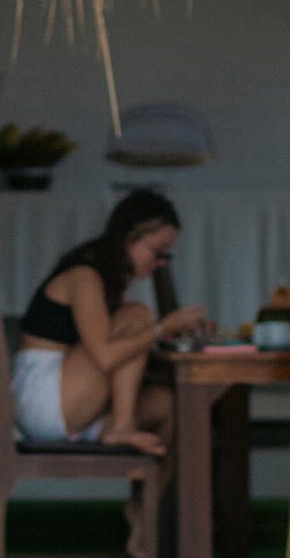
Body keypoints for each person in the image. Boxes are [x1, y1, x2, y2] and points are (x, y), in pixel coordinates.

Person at [11, 187, 200, 459]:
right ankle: (122, 427)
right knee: (137, 315)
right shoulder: (84, 275)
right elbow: (105, 356)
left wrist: (170, 331)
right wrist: (160, 329)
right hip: (44, 402)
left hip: (70, 403)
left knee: (168, 404)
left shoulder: (109, 279)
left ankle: (155, 489)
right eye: (157, 251)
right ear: (131, 236)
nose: (160, 263)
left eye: (166, 257)